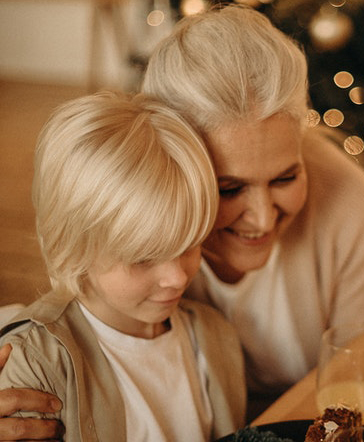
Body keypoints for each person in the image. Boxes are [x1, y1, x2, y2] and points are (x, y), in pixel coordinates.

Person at [0, 4, 364, 438]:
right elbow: (63, 305)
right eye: (228, 188)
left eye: (285, 177)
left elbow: (357, 387)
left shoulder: (346, 200)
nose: (261, 217)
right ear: (170, 157)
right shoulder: (119, 226)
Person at [0, 91, 246, 441]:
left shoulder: (213, 336)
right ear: (74, 246)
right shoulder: (37, 365)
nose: (176, 278)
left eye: (190, 244)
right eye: (143, 258)